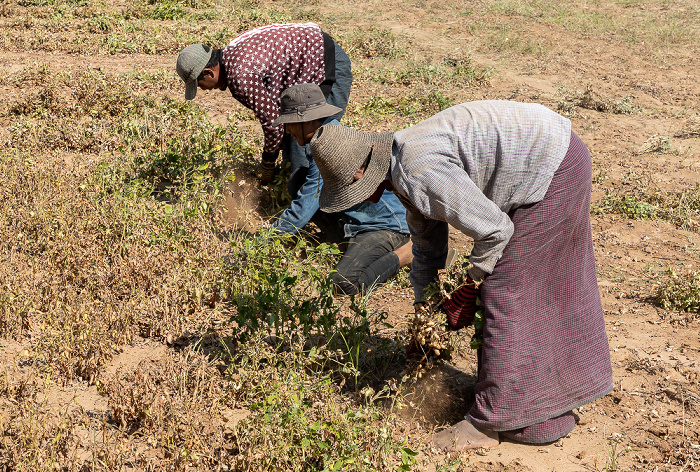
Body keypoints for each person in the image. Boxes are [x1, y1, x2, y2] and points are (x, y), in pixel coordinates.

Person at [308, 100, 613, 449]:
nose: (363, 200)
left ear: (361, 174)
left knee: (503, 289)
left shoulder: (417, 170)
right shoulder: (401, 165)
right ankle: (534, 405)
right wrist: (426, 309)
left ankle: (487, 425)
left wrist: (469, 287)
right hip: (552, 154)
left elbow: (496, 231)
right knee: (528, 287)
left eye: (353, 191)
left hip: (553, 166)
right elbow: (427, 249)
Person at [269, 83, 413, 295]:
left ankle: (408, 253)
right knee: (297, 181)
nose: (288, 130)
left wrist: (265, 242)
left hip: (385, 226)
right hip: (355, 220)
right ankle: (343, 239)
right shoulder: (326, 134)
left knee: (343, 283)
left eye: (290, 123)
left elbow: (305, 205)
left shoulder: (331, 149)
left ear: (306, 121)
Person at [175, 22, 352, 192]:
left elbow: (273, 124)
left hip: (325, 66)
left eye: (199, 85)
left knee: (309, 146)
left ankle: (327, 207)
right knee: (294, 138)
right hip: (313, 58)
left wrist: (267, 163)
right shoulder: (232, 54)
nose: (204, 90)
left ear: (208, 73)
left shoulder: (240, 76)